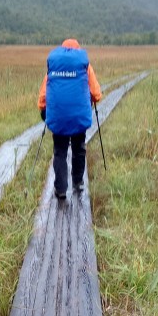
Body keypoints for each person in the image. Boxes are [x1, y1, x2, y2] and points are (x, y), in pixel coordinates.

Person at [37, 38, 102, 199]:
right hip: (79, 116)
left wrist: (43, 109)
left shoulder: (55, 66)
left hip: (58, 116)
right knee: (79, 148)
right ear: (78, 50)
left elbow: (44, 94)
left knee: (60, 151)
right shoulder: (84, 65)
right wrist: (92, 99)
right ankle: (78, 182)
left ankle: (60, 189)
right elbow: (96, 94)